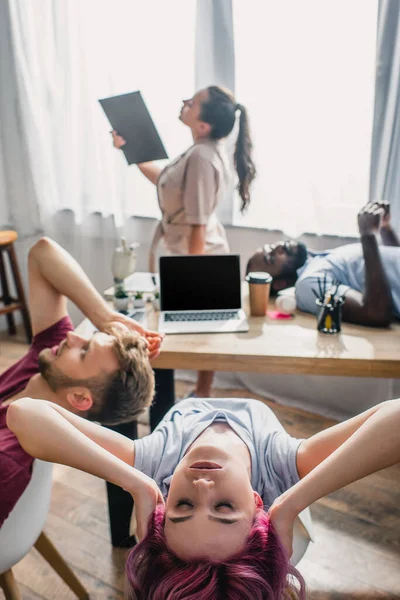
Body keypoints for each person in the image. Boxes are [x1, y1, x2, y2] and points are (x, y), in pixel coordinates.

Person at [8, 392, 400, 598]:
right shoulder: (280, 462)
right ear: (258, 503)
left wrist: (135, 482)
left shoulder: (155, 463)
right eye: (225, 508)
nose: (201, 486)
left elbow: (24, 414)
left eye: (182, 506)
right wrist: (295, 500)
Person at [0, 236, 163, 527]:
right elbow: (42, 252)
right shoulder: (48, 356)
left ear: (79, 398)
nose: (72, 337)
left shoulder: (6, 459)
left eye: (85, 351)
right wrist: (105, 318)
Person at [112, 86, 256, 398]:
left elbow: (198, 226)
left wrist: (190, 279)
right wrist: (129, 148)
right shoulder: (198, 151)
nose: (184, 102)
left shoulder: (203, 158)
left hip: (200, 253)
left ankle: (199, 394)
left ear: (204, 125)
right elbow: (164, 180)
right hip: (192, 251)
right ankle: (198, 393)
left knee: (197, 329)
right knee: (194, 329)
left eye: (192, 102)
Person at [246, 202, 400, 326]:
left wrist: (385, 229)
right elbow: (375, 312)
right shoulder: (308, 282)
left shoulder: (318, 260)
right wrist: (367, 235)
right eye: (271, 258)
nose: (279, 247)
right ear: (280, 284)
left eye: (272, 247)